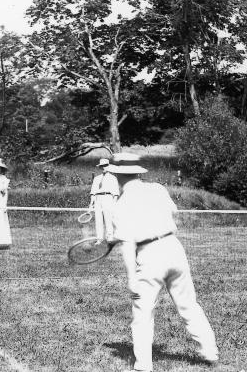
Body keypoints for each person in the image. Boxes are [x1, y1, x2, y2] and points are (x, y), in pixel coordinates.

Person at [109, 152, 223, 371]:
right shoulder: (158, 189)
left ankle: (143, 366)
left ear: (116, 174)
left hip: (149, 255)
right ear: (137, 172)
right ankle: (210, 352)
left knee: (142, 314)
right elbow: (172, 212)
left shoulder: (120, 204)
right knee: (189, 304)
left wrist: (132, 278)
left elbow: (128, 244)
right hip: (173, 247)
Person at [88, 158, 119, 242]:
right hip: (98, 199)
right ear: (100, 167)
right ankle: (99, 239)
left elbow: (116, 193)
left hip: (108, 198)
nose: (104, 168)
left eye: (105, 166)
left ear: (108, 167)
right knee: (98, 220)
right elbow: (93, 192)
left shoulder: (113, 178)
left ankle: (110, 238)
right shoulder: (97, 178)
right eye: (102, 166)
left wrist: (114, 204)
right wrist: (91, 203)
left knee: (108, 219)